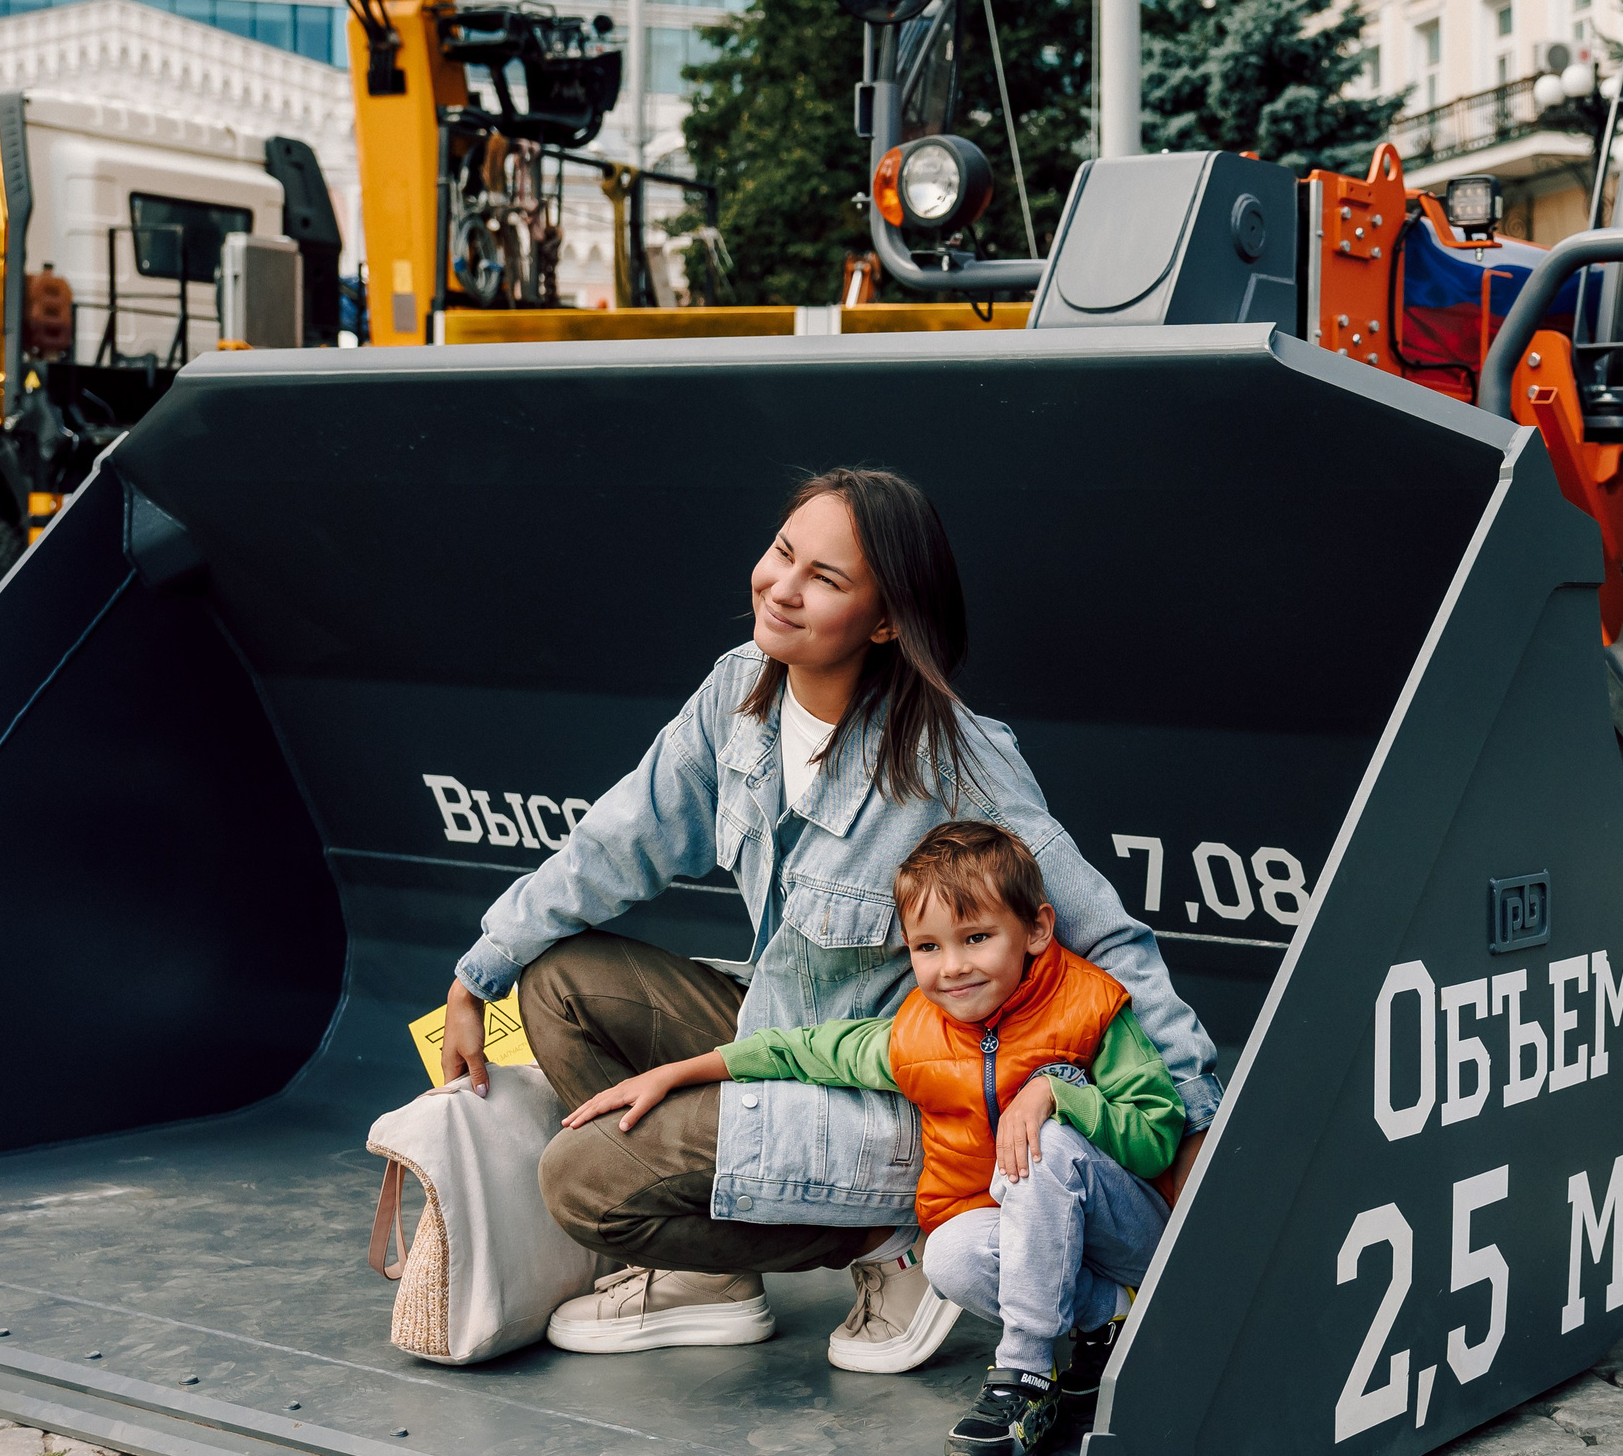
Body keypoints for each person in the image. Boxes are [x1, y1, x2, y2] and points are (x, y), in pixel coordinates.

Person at [434, 467, 1220, 1373]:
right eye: (782, 553)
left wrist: (1194, 1132)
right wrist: (475, 975)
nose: (783, 587)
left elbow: (1106, 937)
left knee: (582, 1181)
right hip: (787, 1038)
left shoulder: (954, 759)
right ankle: (714, 1276)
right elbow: (614, 842)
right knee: (558, 982)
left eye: (826, 578)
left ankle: (898, 1247)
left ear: (885, 621)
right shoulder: (738, 693)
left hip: (901, 1098)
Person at [562, 822, 1178, 1456]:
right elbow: (798, 1050)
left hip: (1125, 1233)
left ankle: (1024, 1377)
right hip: (1042, 1245)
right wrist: (676, 1072)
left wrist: (1057, 1094)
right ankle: (1106, 1316)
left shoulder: (1089, 1004)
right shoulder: (915, 1035)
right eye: (928, 946)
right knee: (948, 1255)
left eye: (976, 937)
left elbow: (1156, 1136)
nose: (952, 966)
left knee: (1043, 1143)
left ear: (1036, 929)